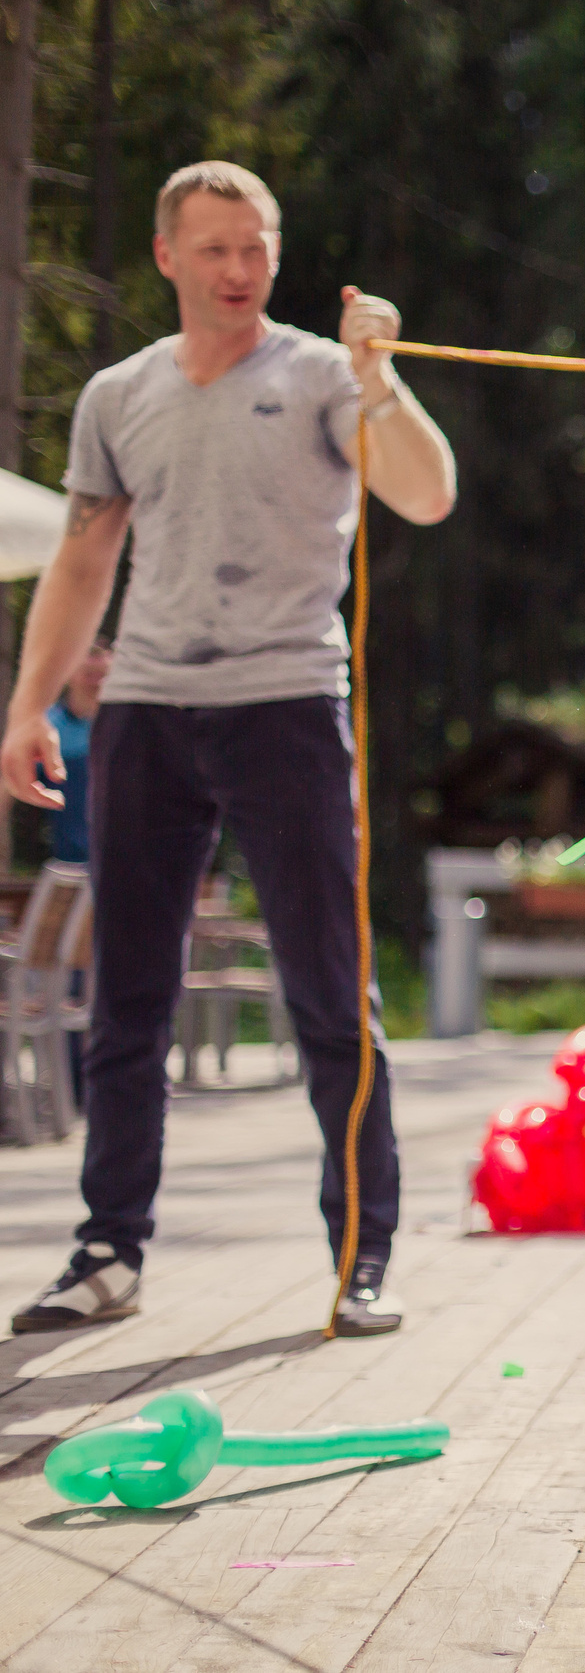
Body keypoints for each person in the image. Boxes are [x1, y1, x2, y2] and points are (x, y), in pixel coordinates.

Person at [5, 161, 456, 1339]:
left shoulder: (320, 374)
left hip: (288, 708)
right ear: (167, 257)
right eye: (214, 249)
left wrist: (382, 379)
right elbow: (85, 560)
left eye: (255, 246)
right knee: (127, 1003)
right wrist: (27, 706)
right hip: (147, 713)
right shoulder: (118, 394)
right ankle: (108, 1252)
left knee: (326, 993)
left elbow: (427, 494)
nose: (240, 270)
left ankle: (363, 1255)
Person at [44, 641, 110, 864]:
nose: (94, 679)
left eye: (100, 673)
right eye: (88, 672)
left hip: (128, 858)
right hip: (70, 862)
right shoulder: (49, 726)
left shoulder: (132, 726)